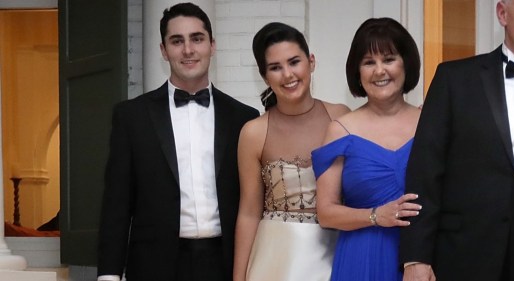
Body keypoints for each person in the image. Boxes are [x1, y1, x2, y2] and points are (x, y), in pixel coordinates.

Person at [400, 0, 514, 280]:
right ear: (502, 13)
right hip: (461, 261)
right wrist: (416, 258)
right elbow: (425, 175)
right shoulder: (453, 80)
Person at [97, 3, 259, 281]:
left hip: (225, 264)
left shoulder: (244, 118)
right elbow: (116, 203)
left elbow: (254, 203)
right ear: (163, 50)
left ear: (212, 45)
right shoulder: (131, 117)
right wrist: (109, 275)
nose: (188, 50)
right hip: (153, 266)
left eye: (197, 38)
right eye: (177, 41)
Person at [233, 22, 350, 281]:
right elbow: (249, 213)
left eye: (294, 62)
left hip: (334, 255)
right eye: (275, 67)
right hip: (276, 260)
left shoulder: (341, 117)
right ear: (265, 76)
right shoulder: (253, 132)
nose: (287, 74)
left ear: (311, 62)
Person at [312, 18, 422, 281]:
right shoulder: (340, 130)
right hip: (361, 259)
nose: (379, 70)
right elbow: (325, 213)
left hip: (421, 259)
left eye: (389, 59)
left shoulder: (430, 123)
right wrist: (375, 216)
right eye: (369, 62)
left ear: (406, 63)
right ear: (357, 72)